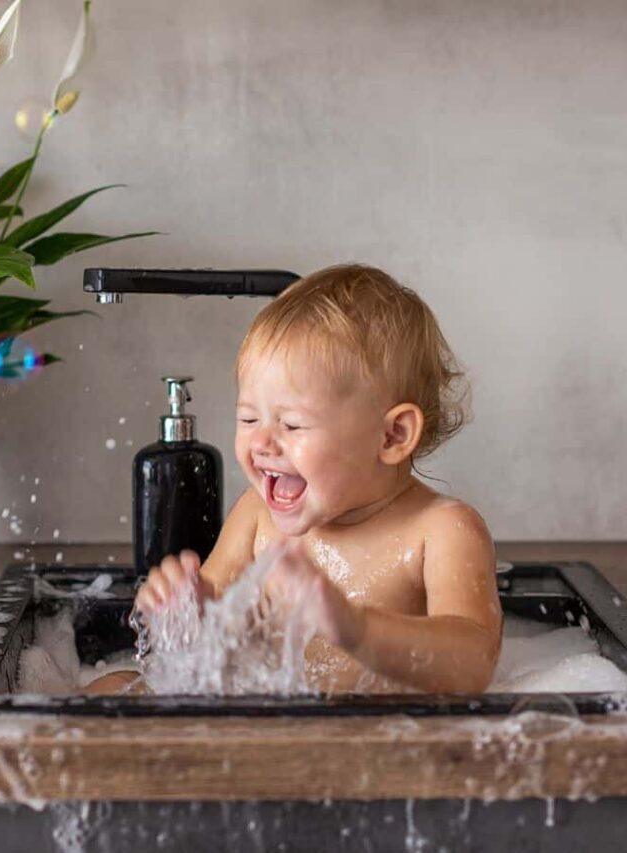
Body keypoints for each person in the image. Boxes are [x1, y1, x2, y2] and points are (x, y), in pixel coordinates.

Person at [102, 264, 502, 695]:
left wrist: (356, 629)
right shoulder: (257, 517)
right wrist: (186, 613)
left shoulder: (440, 531)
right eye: (248, 417)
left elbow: (473, 665)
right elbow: (209, 644)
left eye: (292, 425)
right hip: (258, 727)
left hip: (376, 744)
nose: (261, 442)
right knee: (112, 688)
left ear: (392, 435)